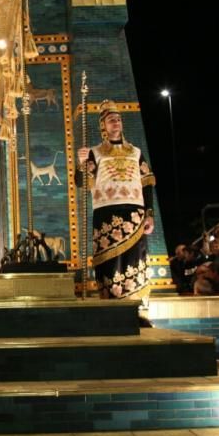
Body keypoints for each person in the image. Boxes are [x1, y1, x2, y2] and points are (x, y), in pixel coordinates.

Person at [75, 100, 156, 305]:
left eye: (118, 120)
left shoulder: (135, 152)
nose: (116, 123)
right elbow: (81, 182)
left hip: (134, 213)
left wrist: (149, 214)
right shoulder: (95, 152)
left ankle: (138, 309)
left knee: (136, 260)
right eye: (111, 120)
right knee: (110, 262)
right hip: (106, 213)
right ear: (103, 125)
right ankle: (112, 307)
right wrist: (80, 163)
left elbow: (147, 183)